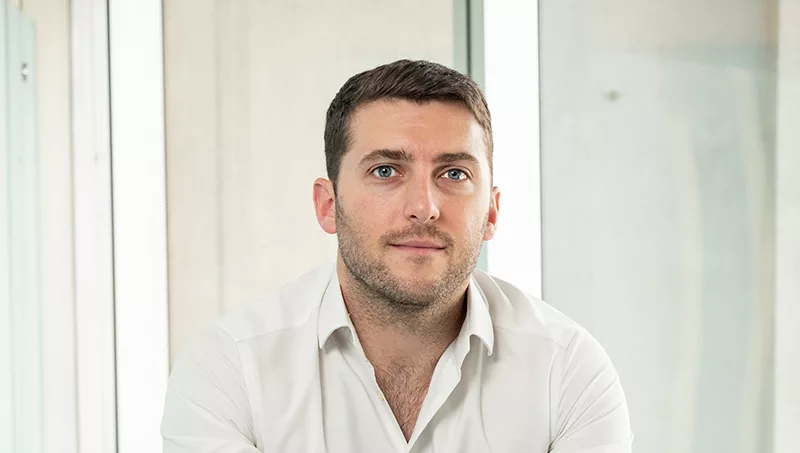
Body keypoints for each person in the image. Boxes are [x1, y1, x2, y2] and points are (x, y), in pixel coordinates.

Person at [161, 59, 633, 452]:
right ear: (328, 205)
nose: (424, 208)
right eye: (386, 170)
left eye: (454, 174)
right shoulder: (230, 369)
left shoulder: (567, 371)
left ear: (491, 212)